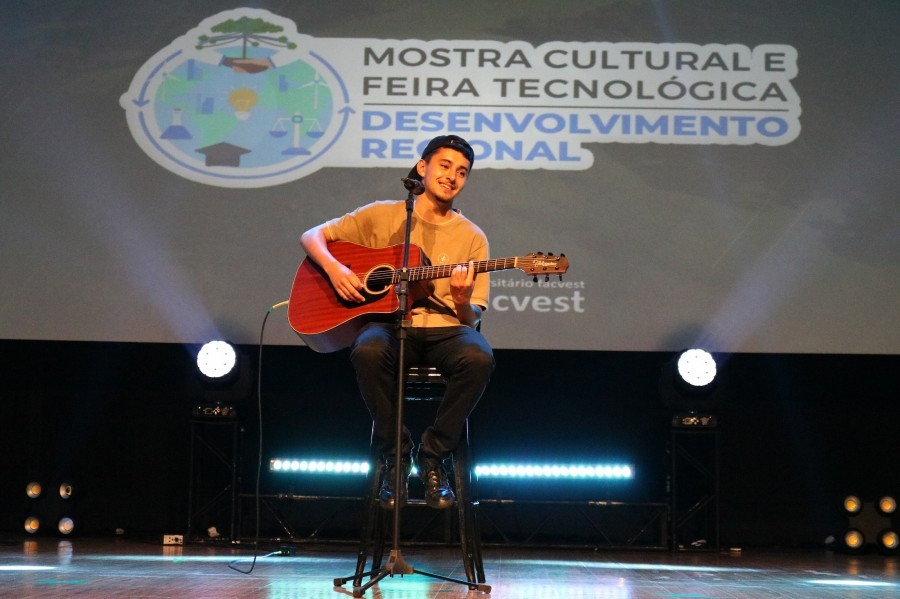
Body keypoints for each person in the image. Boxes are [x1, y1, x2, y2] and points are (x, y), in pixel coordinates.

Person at [299, 134, 495, 509]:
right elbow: (312, 237)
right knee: (368, 349)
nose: (452, 176)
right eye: (445, 166)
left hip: (446, 329)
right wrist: (336, 269)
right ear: (422, 168)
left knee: (478, 357)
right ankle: (396, 455)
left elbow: (470, 320)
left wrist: (461, 299)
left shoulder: (473, 237)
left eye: (462, 172)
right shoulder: (384, 215)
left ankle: (433, 456)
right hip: (389, 324)